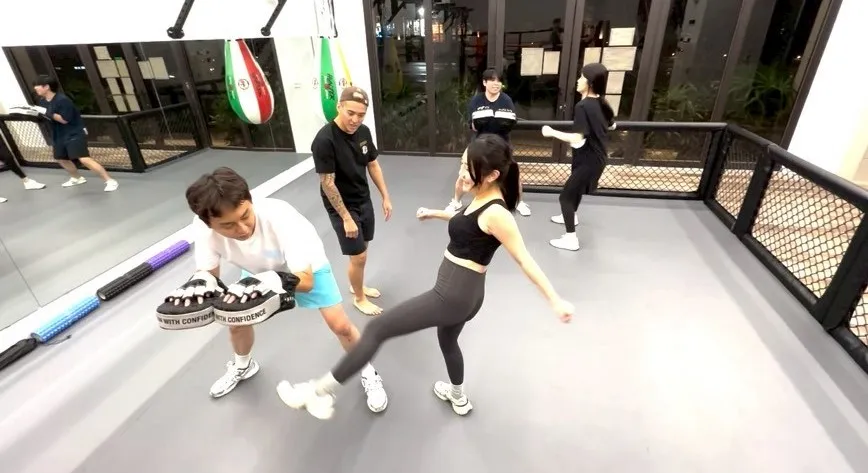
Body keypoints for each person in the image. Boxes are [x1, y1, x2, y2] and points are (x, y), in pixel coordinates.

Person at [275, 134, 574, 421]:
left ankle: (317, 392)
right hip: (466, 295)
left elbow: (524, 259)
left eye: (468, 168)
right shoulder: (482, 197)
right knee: (448, 340)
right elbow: (468, 221)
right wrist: (434, 213)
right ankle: (458, 396)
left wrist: (555, 300)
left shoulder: (498, 213)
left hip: (451, 296)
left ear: (492, 175)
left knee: (378, 329)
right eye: (462, 164)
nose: (462, 173)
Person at [180, 167, 387, 412]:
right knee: (235, 321)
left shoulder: (280, 217)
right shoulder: (202, 228)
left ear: (250, 200)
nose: (243, 229)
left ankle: (366, 369)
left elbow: (306, 282)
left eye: (245, 215)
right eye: (228, 225)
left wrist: (269, 281)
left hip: (305, 268)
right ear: (209, 223)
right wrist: (200, 289)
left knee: (340, 325)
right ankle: (243, 366)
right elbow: (210, 277)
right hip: (258, 269)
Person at [311, 86, 392, 316]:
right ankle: (359, 298)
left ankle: (357, 284)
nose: (355, 120)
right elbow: (328, 183)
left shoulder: (363, 131)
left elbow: (372, 164)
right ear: (339, 107)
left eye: (361, 115)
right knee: (359, 255)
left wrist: (385, 196)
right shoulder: (324, 140)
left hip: (362, 197)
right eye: (350, 113)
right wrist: (346, 217)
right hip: (341, 205)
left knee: (363, 248)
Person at [540, 63, 615, 251]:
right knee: (577, 190)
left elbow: (577, 137)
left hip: (589, 159)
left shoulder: (583, 106)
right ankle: (571, 216)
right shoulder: (602, 103)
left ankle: (570, 239)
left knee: (565, 198)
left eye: (581, 77)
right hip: (593, 157)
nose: (578, 80)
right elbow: (612, 125)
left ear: (590, 83)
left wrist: (551, 132)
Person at [445, 69, 532, 217]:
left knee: (513, 174)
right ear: (485, 83)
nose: (496, 84)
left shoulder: (506, 100)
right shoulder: (476, 101)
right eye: (492, 80)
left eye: (499, 81)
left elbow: (511, 123)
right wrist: (480, 121)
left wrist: (504, 123)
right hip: (480, 142)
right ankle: (456, 201)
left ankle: (519, 202)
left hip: (501, 143)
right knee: (464, 173)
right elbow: (472, 126)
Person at [32, 75, 118, 192]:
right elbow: (46, 117)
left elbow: (64, 119)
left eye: (37, 85)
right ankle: (77, 178)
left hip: (74, 132)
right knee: (61, 158)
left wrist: (46, 112)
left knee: (84, 159)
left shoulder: (62, 100)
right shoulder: (42, 102)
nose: (35, 88)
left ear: (46, 87)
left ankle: (110, 181)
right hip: (59, 134)